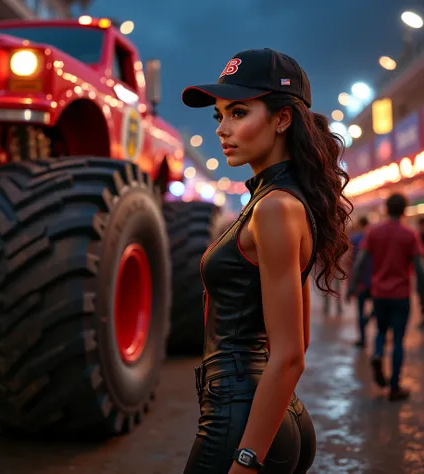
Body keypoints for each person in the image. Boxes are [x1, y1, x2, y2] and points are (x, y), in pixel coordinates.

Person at [181, 48, 352, 474]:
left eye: (238, 113)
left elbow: (292, 353)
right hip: (273, 413)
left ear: (282, 119)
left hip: (239, 423)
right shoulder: (277, 201)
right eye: (219, 116)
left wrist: (246, 457)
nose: (223, 129)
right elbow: (299, 340)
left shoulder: (274, 208)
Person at [348, 194, 424, 401]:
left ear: (385, 209)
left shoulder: (374, 232)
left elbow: (361, 261)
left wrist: (352, 286)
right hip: (401, 295)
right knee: (398, 339)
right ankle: (394, 387)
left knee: (381, 331)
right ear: (404, 210)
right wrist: (422, 294)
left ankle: (377, 353)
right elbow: (418, 268)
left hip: (379, 293)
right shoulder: (410, 234)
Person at [348, 216, 373, 348]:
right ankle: (370, 320)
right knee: (377, 309)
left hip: (361, 282)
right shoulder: (375, 238)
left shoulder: (355, 239)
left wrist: (350, 285)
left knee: (360, 310)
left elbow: (353, 263)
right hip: (375, 281)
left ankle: (363, 339)